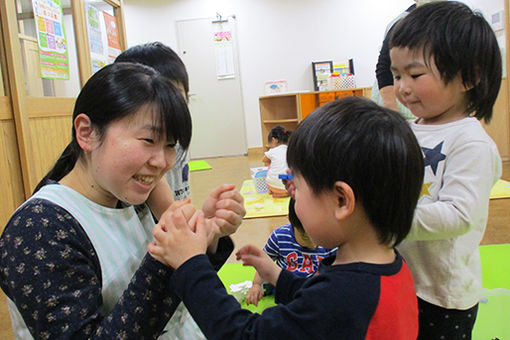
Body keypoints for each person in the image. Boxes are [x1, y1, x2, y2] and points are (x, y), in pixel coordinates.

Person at [0, 63, 244, 339]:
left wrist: (205, 232)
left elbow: (174, 297)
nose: (162, 162)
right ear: (86, 132)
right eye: (148, 140)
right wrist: (167, 253)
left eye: (169, 145)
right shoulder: (38, 230)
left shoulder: (133, 196)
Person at [149, 96, 424, 339]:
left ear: (342, 200)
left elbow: (244, 335)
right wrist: (277, 275)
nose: (293, 195)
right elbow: (317, 309)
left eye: (299, 188)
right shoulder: (387, 269)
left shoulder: (344, 297)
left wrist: (191, 264)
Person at [389, 2, 502, 339]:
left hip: (442, 295)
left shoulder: (471, 143)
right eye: (396, 75)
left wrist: (388, 221)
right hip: (402, 276)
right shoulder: (411, 128)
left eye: (415, 74)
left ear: (469, 76)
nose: (402, 87)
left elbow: (459, 214)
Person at [115, 42, 192, 219]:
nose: (169, 108)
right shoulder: (144, 160)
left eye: (177, 97)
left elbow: (179, 213)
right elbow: (171, 218)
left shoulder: (176, 146)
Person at [246, 198, 337, 306]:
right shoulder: (280, 237)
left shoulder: (330, 239)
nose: (313, 243)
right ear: (290, 220)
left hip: (315, 290)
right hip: (285, 288)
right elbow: (264, 262)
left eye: (316, 233)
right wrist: (256, 284)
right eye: (305, 237)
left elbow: (338, 272)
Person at [262, 125, 291, 198]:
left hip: (275, 184)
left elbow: (264, 160)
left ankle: (275, 191)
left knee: (270, 176)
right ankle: (285, 192)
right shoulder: (290, 150)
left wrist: (270, 163)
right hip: (289, 185)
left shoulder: (273, 151)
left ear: (274, 140)